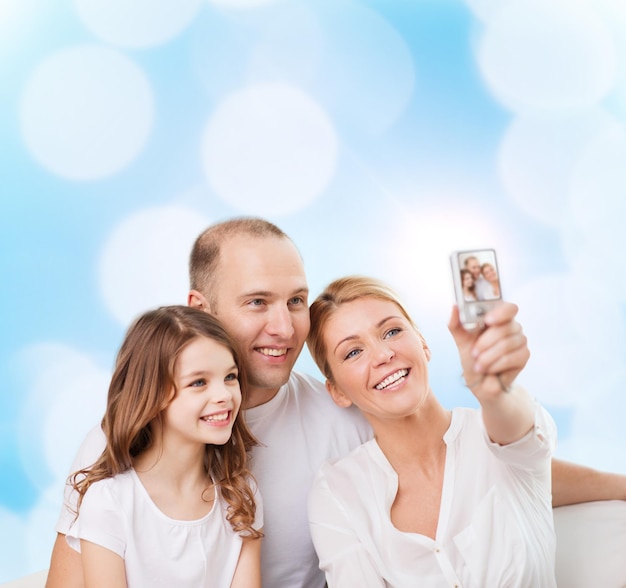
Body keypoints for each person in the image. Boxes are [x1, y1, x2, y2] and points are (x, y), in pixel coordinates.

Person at [47, 217, 626, 588]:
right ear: (199, 306)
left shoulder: (342, 419)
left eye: (296, 299)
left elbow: (492, 465)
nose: (283, 326)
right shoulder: (124, 439)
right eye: (257, 302)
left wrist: (614, 482)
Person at [306, 276, 556, 586]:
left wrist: (494, 390)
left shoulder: (495, 436)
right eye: (353, 352)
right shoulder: (339, 490)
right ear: (338, 392)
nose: (383, 355)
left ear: (423, 343)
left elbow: (519, 431)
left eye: (392, 331)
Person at [65, 306, 263, 587]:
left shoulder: (240, 495)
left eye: (230, 377)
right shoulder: (109, 503)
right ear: (152, 394)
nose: (224, 395)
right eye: (198, 382)